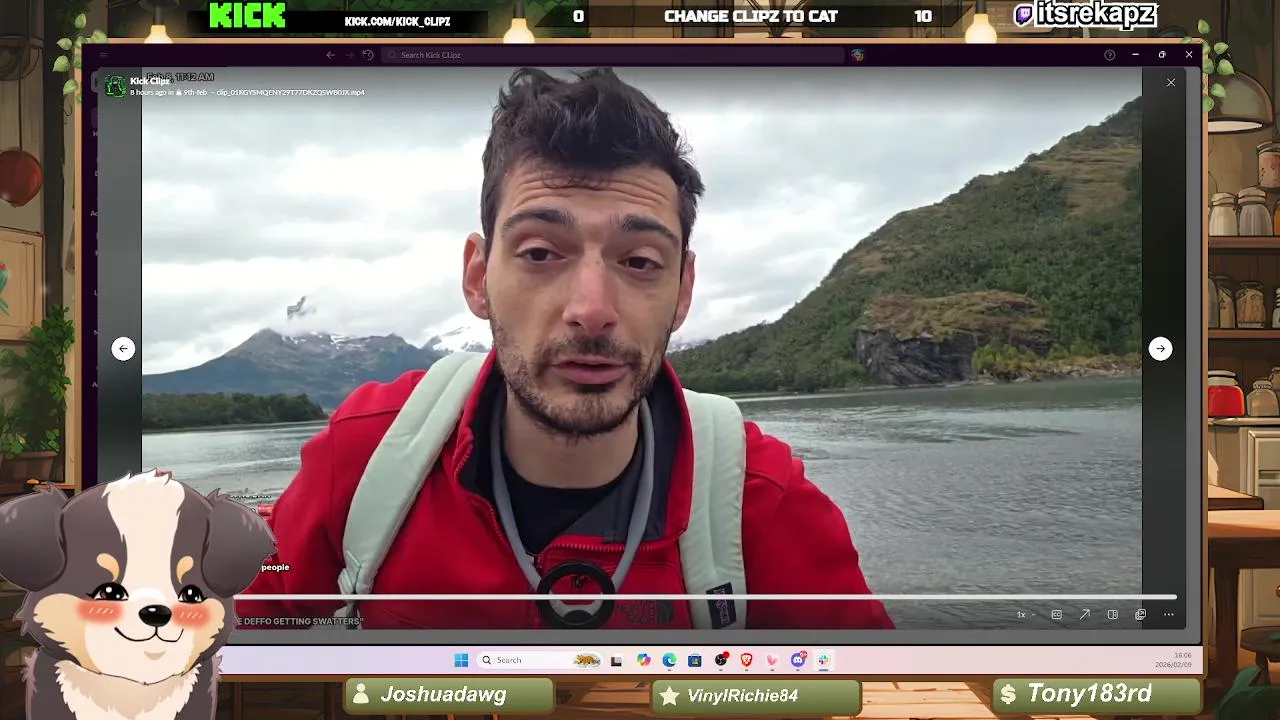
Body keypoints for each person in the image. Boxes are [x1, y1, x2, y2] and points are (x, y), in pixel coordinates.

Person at [235, 68, 893, 631]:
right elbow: (217, 638)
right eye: (541, 253)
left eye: (640, 261)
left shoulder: (759, 499)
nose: (592, 309)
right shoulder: (371, 454)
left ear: (683, 290)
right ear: (477, 277)